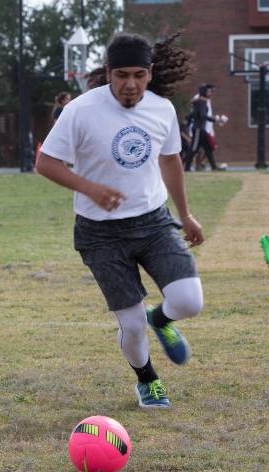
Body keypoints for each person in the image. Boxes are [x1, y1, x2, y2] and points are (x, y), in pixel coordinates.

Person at [36, 32, 205, 409]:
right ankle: (147, 379)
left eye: (139, 75)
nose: (130, 84)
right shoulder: (80, 110)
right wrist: (90, 188)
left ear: (150, 73)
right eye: (122, 75)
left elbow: (170, 160)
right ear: (109, 72)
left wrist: (186, 215)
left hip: (153, 222)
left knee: (189, 300)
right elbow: (45, 162)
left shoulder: (162, 109)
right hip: (100, 233)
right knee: (130, 325)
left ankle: (160, 319)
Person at [184, 84, 220, 172]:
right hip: (198, 129)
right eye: (208, 91)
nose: (210, 93)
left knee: (208, 148)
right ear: (203, 92)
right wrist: (214, 119)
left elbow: (193, 114)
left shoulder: (201, 101)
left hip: (201, 129)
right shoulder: (201, 102)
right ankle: (186, 167)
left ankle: (214, 167)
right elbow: (203, 115)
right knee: (194, 149)